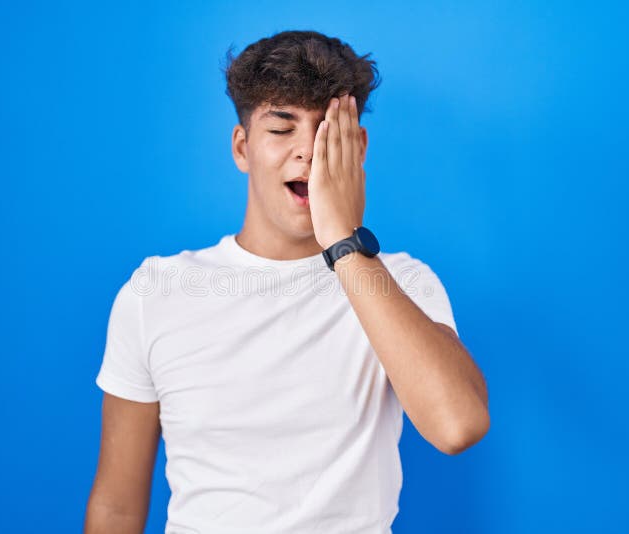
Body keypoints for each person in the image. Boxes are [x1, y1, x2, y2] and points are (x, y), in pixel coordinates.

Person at [84, 30, 489, 534]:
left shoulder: (400, 282)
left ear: (357, 146)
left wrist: (343, 241)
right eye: (281, 128)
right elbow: (117, 507)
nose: (307, 152)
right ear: (242, 147)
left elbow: (459, 424)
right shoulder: (156, 292)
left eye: (327, 132)